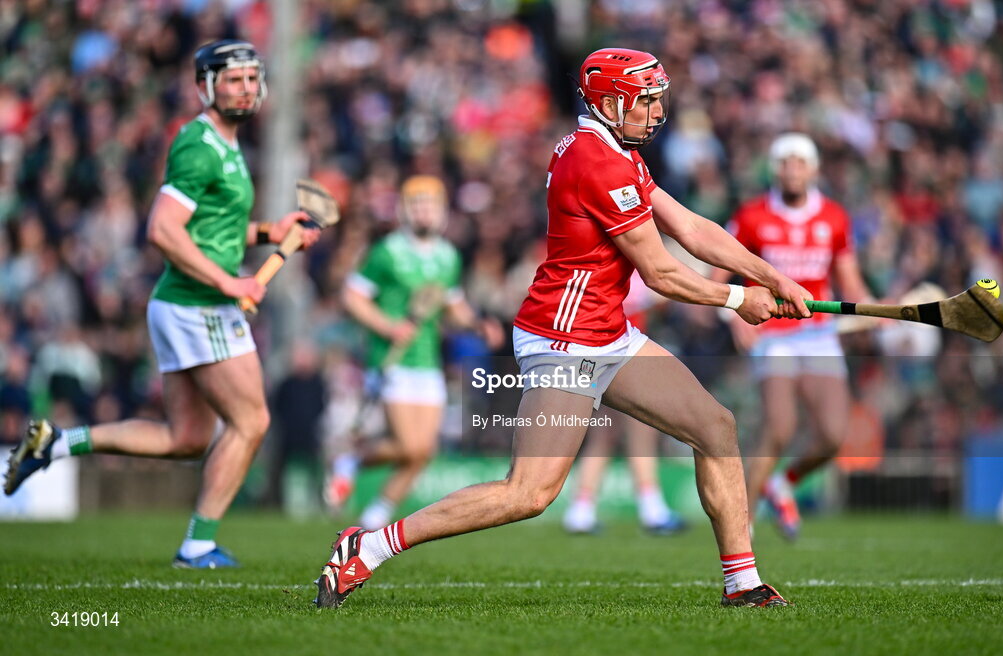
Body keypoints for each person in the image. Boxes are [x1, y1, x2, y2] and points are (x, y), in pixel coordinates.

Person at [313, 48, 811, 610]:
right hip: (563, 340)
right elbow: (662, 270)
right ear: (610, 100)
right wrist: (739, 297)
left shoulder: (616, 150)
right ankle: (370, 544)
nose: (656, 112)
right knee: (528, 493)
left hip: (607, 332)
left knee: (716, 427)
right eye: (645, 101)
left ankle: (742, 583)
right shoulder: (595, 162)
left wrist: (774, 275)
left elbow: (692, 229)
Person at [3, 40, 321, 568]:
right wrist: (230, 284)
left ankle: (55, 444)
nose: (245, 87)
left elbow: (209, 231)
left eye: (250, 78)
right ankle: (198, 544)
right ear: (206, 85)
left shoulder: (226, 144)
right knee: (252, 422)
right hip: (199, 306)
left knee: (187, 437)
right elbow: (163, 230)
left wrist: (269, 230)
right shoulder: (199, 145)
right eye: (233, 78)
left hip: (182, 305)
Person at [713, 133, 873, 540]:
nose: (792, 170)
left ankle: (783, 482)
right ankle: (742, 527)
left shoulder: (834, 217)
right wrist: (733, 314)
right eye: (785, 163)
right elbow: (718, 277)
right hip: (771, 335)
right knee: (780, 427)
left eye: (800, 162)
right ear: (775, 169)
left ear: (814, 169)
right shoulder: (751, 216)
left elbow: (851, 284)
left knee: (834, 436)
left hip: (818, 334)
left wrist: (878, 311)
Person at [323, 175, 503, 530]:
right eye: (417, 205)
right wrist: (388, 327)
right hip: (392, 359)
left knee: (424, 451)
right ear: (406, 211)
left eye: (430, 206)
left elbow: (452, 306)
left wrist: (477, 326)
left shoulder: (448, 257)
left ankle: (373, 518)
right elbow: (352, 297)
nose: (424, 213)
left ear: (442, 213)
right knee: (408, 446)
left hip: (427, 360)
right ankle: (350, 460)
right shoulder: (387, 251)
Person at [562, 270, 686, 535]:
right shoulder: (620, 263)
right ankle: (651, 509)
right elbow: (643, 295)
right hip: (614, 348)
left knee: (603, 435)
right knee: (641, 429)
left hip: (597, 352)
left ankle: (581, 509)